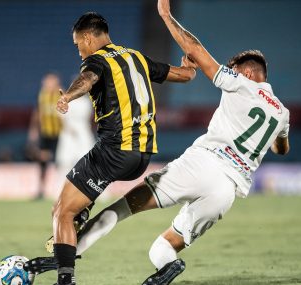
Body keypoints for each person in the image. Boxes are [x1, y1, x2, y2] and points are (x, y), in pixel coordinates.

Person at [25, 2, 290, 285]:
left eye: (233, 69)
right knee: (163, 249)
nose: (228, 71)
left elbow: (196, 52)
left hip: (188, 163)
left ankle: (63, 268)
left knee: (99, 209)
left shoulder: (239, 84)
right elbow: (280, 147)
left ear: (247, 73)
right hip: (219, 189)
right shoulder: (282, 114)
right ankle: (165, 269)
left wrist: (165, 15)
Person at [45, 11, 196, 285]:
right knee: (76, 203)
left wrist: (67, 95)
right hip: (143, 156)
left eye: (79, 45)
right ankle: (84, 208)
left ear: (89, 38)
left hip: (115, 150)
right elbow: (181, 75)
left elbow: (88, 79)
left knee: (62, 211)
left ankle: (65, 280)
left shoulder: (97, 60)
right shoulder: (136, 57)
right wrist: (191, 69)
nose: (79, 52)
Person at [27, 73, 63, 199]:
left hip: (59, 134)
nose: (47, 85)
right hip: (45, 133)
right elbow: (37, 112)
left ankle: (61, 189)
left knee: (61, 161)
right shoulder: (42, 95)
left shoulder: (62, 95)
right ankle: (41, 189)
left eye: (49, 82)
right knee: (42, 162)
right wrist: (33, 129)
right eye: (46, 82)